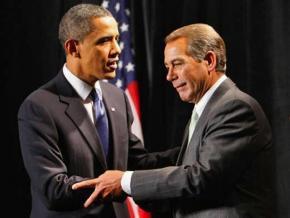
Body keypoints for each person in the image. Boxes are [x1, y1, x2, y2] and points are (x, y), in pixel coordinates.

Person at [72, 23, 274, 217]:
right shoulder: (208, 109)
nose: (169, 76)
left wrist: (125, 181)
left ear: (209, 61)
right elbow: (181, 165)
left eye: (177, 64)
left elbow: (200, 178)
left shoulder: (235, 108)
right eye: (167, 66)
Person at [18, 3, 179, 218]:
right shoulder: (39, 107)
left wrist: (188, 149)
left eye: (116, 39)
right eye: (104, 41)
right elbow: (53, 188)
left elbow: (137, 163)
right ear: (73, 48)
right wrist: (114, 185)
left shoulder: (116, 97)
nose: (117, 50)